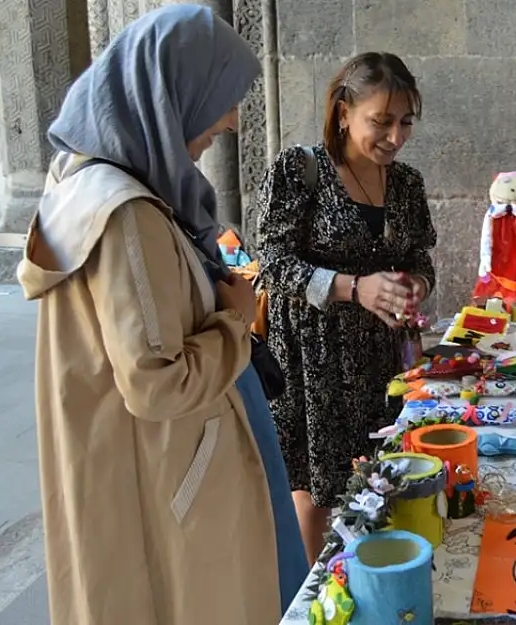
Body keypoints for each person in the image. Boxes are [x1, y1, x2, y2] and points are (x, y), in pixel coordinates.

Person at [16, 5, 305, 623]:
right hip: (170, 481)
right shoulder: (126, 215)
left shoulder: (92, 184)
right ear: (170, 92)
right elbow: (157, 382)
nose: (229, 121)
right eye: (221, 99)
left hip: (154, 470)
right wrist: (234, 317)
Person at [257, 51, 436, 566]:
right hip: (314, 359)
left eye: (405, 123)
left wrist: (416, 285)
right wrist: (352, 288)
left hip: (382, 355)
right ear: (343, 112)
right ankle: (315, 596)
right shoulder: (301, 170)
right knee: (317, 490)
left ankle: (375, 572)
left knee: (380, 473)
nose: (395, 137)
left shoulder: (407, 184)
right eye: (380, 122)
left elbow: (420, 256)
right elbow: (271, 262)